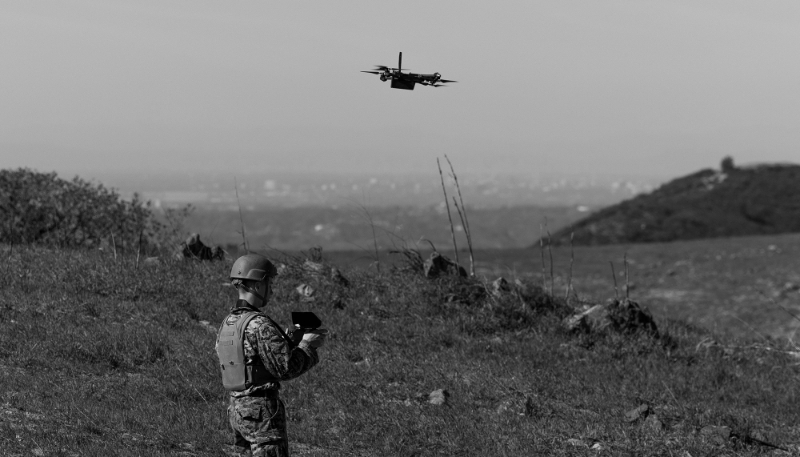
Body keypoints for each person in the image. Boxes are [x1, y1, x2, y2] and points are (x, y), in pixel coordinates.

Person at [216, 254, 327, 457]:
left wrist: (288, 341)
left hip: (237, 410)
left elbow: (249, 360)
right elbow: (286, 368)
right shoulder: (260, 324)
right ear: (258, 285)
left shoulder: (228, 323)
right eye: (270, 283)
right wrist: (307, 345)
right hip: (261, 414)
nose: (273, 290)